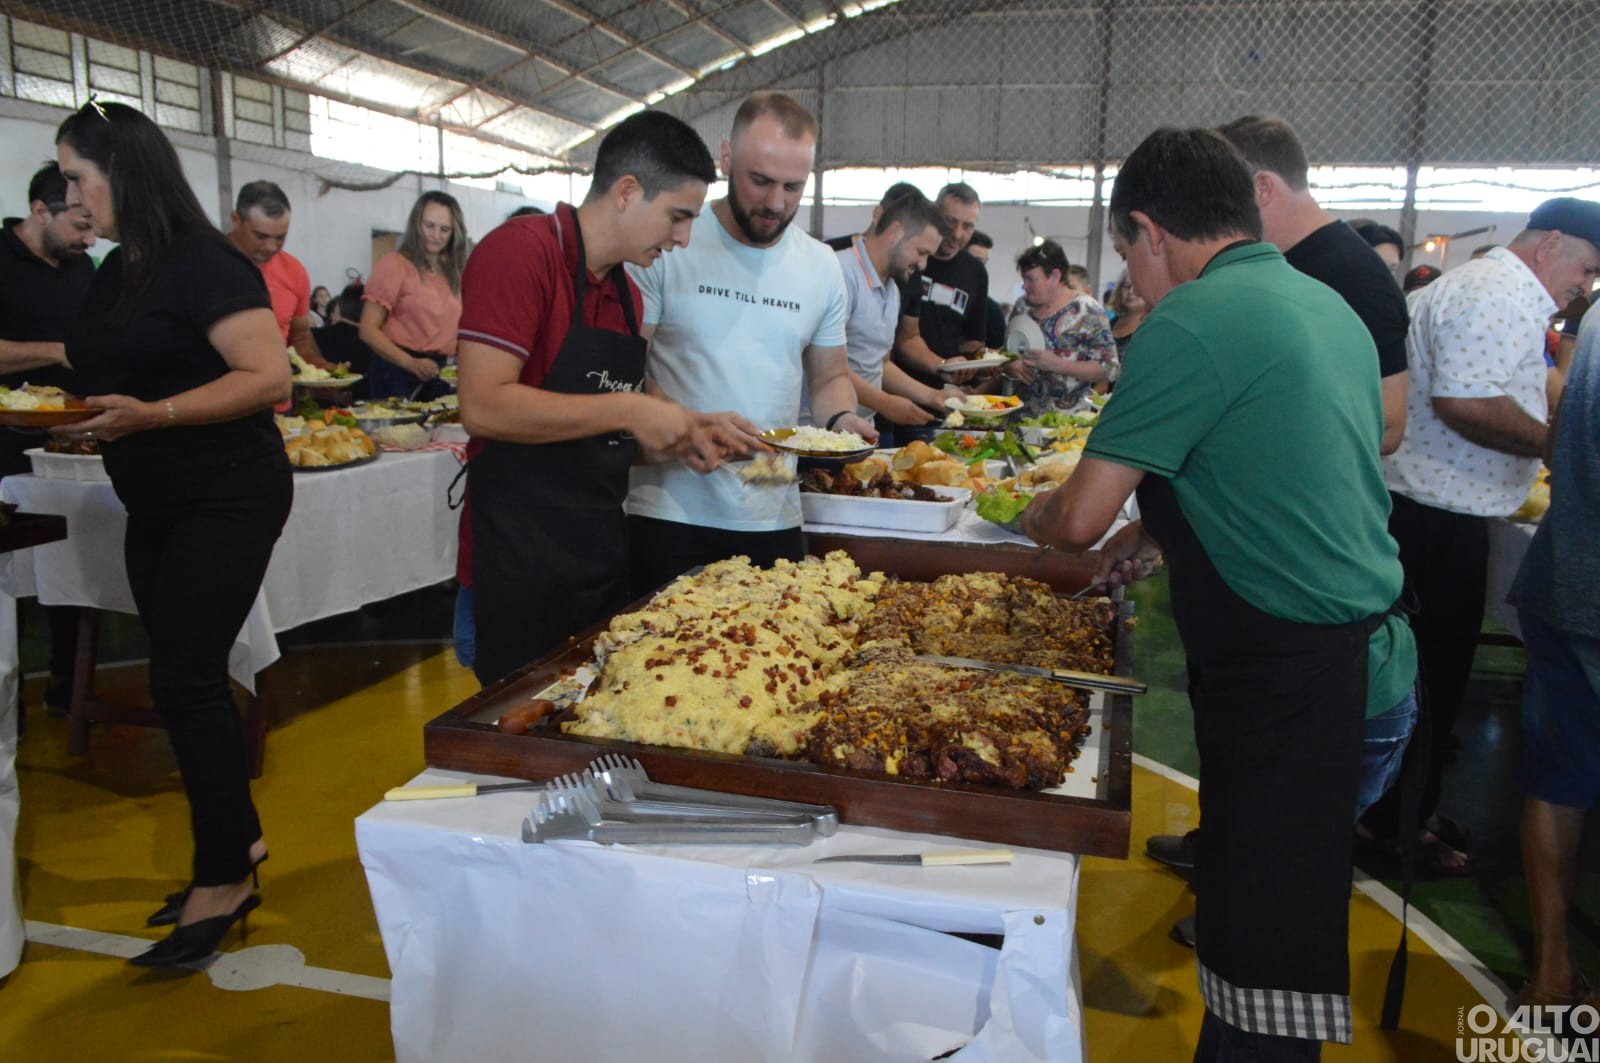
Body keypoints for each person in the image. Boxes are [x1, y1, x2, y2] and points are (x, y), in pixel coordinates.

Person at [1022, 127, 1407, 1058]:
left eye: (1126, 256)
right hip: (1373, 669)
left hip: (1300, 688)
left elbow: (1073, 519)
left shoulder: (1189, 322)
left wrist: (1037, 513)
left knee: (1262, 969)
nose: (1133, 283)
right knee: (1262, 931)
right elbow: (1280, 469)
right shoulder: (1325, 309)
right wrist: (1153, 535)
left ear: (1151, 231)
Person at [1147, 115, 1420, 944]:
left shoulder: (1346, 276)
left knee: (1279, 888)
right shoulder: (1280, 279)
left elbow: (1384, 422)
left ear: (1259, 190)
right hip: (1270, 621)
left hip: (1318, 637)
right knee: (1252, 797)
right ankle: (1230, 875)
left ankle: (1249, 914)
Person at [53, 101, 291, 967]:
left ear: (123, 170)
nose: (71, 195)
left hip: (227, 494)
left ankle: (222, 873)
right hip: (155, 498)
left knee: (185, 679)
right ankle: (241, 842)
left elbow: (265, 377)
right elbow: (104, 365)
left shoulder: (204, 263)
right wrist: (90, 419)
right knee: (185, 678)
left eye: (78, 176)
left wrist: (150, 415)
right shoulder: (120, 269)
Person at [456, 111, 749, 686]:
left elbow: (607, 437)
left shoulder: (625, 293)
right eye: (678, 216)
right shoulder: (521, 254)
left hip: (596, 560)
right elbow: (483, 405)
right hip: (518, 560)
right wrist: (632, 408)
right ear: (627, 192)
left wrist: (685, 434)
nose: (684, 238)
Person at [1366, 198, 1600, 876]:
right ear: (1552, 244)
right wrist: (1559, 442)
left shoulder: (1498, 289)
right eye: (1585, 267)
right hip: (1433, 518)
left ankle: (1406, 805)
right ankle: (1393, 824)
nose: (1584, 284)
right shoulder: (1498, 292)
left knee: (1431, 677)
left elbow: (1517, 382)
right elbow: (1465, 401)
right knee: (1429, 680)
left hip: (1437, 511)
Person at [624, 92, 874, 596]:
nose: (775, 203)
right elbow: (628, 370)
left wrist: (840, 422)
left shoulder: (821, 264)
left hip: (771, 512)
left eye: (792, 186)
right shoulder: (669, 241)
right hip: (669, 512)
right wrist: (689, 428)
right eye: (760, 181)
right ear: (726, 159)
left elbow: (828, 378)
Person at [1508, 308, 1600, 1011]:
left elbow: (1562, 430)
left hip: (1566, 573)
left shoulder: (1596, 317)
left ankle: (1551, 972)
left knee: (1557, 781)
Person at [0, 161, 92, 715]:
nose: (90, 237)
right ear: (41, 210)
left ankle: (66, 680)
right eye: (80, 223)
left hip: (67, 437)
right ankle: (9, 698)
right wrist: (57, 351)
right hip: (5, 438)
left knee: (71, 554)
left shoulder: (82, 269)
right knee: (9, 572)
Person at [830, 190, 958, 437]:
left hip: (862, 431)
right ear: (896, 232)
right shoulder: (840, 273)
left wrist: (934, 397)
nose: (923, 265)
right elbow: (828, 366)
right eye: (921, 252)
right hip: (823, 433)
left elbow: (882, 363)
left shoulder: (893, 289)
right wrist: (885, 403)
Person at [361, 191, 467, 400]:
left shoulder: (454, 272)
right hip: (396, 370)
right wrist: (410, 363)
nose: (436, 235)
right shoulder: (394, 264)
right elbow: (367, 330)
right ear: (416, 225)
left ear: (454, 233)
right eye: (429, 226)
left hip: (440, 373)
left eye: (444, 229)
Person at [225, 180, 336, 373]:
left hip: (277, 396)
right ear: (236, 220)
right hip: (223, 397)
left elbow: (300, 336)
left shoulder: (293, 270)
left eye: (280, 237)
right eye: (260, 236)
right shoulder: (208, 263)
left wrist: (322, 371)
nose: (271, 247)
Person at [893, 182, 992, 387]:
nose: (957, 233)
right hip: (894, 381)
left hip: (942, 388)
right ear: (935, 213)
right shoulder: (907, 259)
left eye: (967, 226)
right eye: (951, 221)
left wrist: (978, 361)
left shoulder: (976, 272)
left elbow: (972, 340)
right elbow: (905, 338)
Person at [1004, 239, 1117, 415]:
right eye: (1023, 279)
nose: (1024, 286)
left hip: (1068, 424)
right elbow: (1005, 352)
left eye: (1031, 279)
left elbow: (1109, 368)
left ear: (1055, 276)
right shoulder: (1022, 306)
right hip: (1019, 417)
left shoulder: (1087, 310)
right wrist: (1011, 365)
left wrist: (1058, 365)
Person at [823, 181, 922, 252]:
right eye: (897, 228)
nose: (899, 238)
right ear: (878, 214)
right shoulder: (829, 252)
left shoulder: (905, 272)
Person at [965, 230, 1009, 349]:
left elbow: (997, 354)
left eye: (984, 263)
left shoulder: (992, 311)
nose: (981, 269)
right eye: (976, 262)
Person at [1106, 274, 1147, 355]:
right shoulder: (1109, 323)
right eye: (1127, 286)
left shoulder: (1151, 326)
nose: (1131, 291)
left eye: (1137, 286)